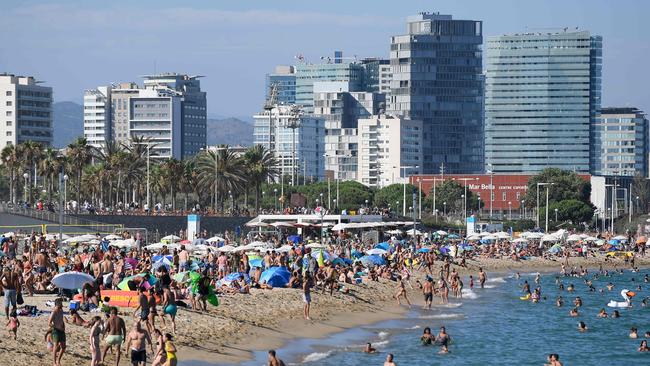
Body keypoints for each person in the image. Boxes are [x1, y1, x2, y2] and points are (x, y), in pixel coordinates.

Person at [49, 298, 66, 366]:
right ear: (57, 304)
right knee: (55, 347)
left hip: (62, 330)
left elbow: (61, 320)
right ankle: (54, 362)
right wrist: (56, 327)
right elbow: (49, 323)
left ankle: (58, 360)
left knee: (63, 347)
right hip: (56, 331)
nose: (62, 305)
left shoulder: (61, 310)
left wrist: (64, 326)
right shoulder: (54, 312)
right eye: (61, 303)